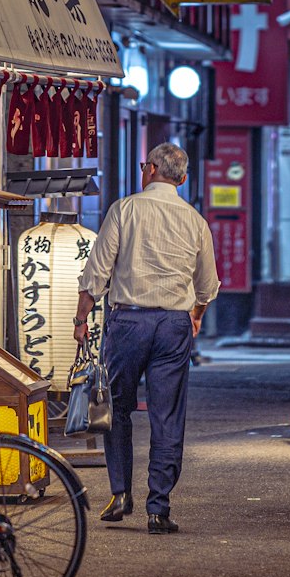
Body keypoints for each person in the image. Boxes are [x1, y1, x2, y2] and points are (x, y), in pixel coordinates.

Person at [74, 141, 220, 535]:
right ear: (183, 179)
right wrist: (196, 316)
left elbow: (97, 273)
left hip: (128, 323)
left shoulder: (125, 209)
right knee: (167, 415)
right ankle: (159, 507)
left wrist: (80, 319)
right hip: (174, 324)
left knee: (116, 407)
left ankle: (120, 493)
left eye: (144, 166)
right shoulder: (195, 221)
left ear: (151, 170)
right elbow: (206, 286)